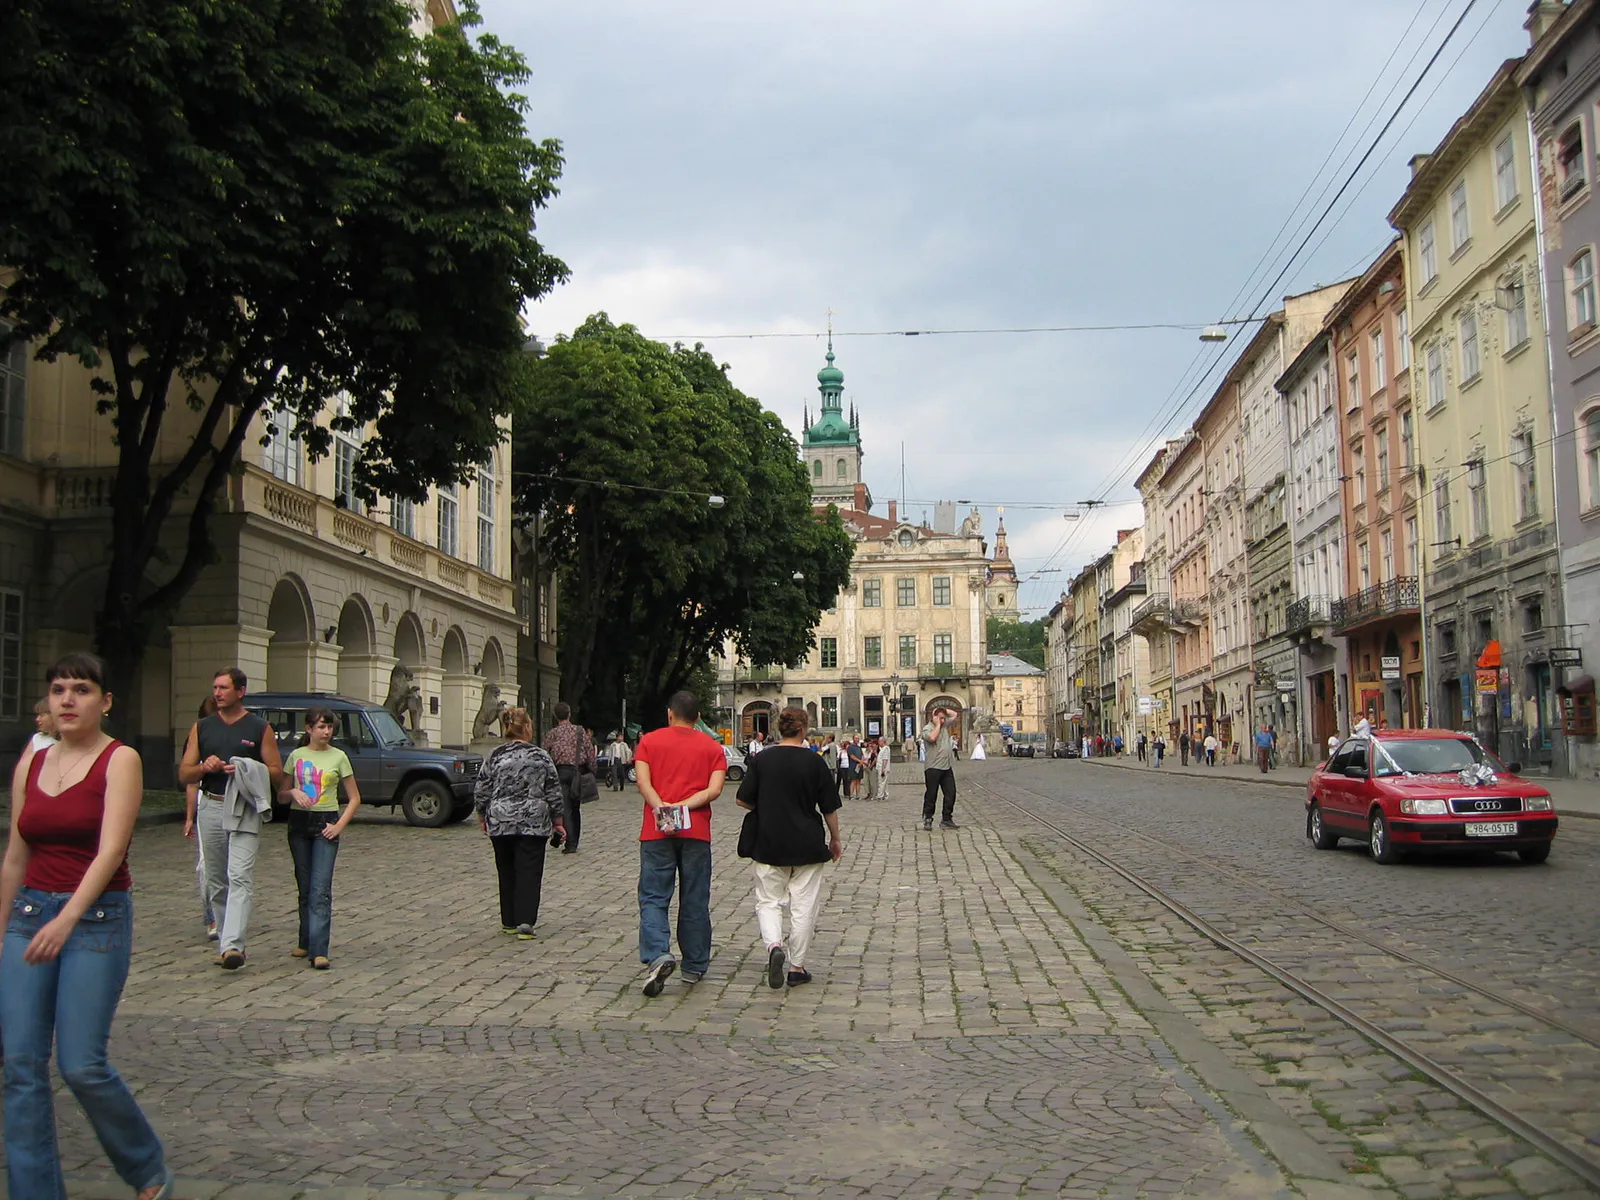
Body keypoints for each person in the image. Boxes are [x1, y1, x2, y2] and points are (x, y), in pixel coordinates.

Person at [0, 652, 173, 1200]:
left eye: (81, 689)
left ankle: (146, 1169)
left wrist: (68, 918)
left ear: (105, 701)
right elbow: (15, 856)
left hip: (96, 920)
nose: (68, 700)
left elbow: (111, 850)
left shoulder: (120, 760)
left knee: (81, 1064)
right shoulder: (33, 760)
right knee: (20, 1066)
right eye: (58, 690)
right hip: (29, 916)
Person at [179, 666, 282, 971]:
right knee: (215, 880)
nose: (217, 693)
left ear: (240, 691)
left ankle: (233, 945)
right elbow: (185, 773)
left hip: (244, 808)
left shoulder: (259, 728)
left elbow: (276, 773)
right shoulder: (202, 727)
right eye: (215, 688)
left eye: (224, 688)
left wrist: (248, 769)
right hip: (211, 806)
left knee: (239, 876)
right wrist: (204, 767)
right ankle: (227, 941)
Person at [737, 706, 842, 988]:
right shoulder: (814, 762)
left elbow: (742, 799)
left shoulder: (762, 759)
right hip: (807, 843)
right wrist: (835, 839)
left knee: (768, 901)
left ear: (778, 729)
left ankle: (774, 946)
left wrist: (768, 804)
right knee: (804, 906)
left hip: (768, 840)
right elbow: (829, 807)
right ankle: (797, 967)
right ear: (804, 729)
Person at [633, 691, 727, 995]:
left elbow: (643, 782)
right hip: (695, 831)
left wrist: (662, 808)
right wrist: (684, 807)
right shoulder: (712, 747)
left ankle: (658, 954)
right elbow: (714, 790)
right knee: (695, 898)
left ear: (669, 713)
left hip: (656, 831)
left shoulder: (648, 742)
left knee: (653, 896)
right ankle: (694, 964)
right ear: (698, 717)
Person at [280, 706, 361, 969]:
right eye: (321, 727)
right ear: (309, 729)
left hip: (325, 823)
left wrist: (339, 826)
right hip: (299, 823)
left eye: (329, 727)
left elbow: (354, 798)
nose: (326, 732)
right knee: (305, 886)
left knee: (320, 888)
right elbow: (281, 793)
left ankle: (319, 949)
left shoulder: (339, 757)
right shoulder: (296, 756)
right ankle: (305, 940)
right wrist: (294, 792)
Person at [475, 708, 564, 939]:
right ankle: (525, 920)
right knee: (529, 871)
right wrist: (558, 820)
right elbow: (553, 789)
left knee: (506, 870)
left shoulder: (495, 755)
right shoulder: (540, 756)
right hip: (533, 820)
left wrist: (482, 814)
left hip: (501, 819)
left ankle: (508, 920)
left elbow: (482, 787)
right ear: (526, 727)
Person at [182, 696, 219, 941]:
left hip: (232, 805)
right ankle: (212, 917)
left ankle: (227, 913)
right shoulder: (197, 737)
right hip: (206, 803)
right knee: (207, 865)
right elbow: (191, 781)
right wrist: (190, 817)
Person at [542, 702, 595, 855]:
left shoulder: (552, 733)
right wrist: (592, 770)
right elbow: (590, 753)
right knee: (575, 807)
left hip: (560, 771)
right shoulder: (580, 731)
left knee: (565, 807)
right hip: (577, 771)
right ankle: (574, 841)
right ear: (569, 714)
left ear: (555, 716)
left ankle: (569, 842)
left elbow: (544, 753)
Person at [920, 706, 959, 831]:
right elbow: (932, 738)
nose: (943, 720)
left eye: (944, 718)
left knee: (951, 793)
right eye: (941, 718)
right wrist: (937, 724)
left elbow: (955, 714)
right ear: (934, 717)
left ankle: (946, 819)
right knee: (931, 794)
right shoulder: (927, 728)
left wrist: (942, 710)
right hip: (933, 767)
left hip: (946, 766)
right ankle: (928, 818)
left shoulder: (944, 725)